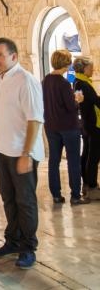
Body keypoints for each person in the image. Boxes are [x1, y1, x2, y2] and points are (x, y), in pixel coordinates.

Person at [0, 37, 44, 269]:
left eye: (0, 55)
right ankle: (12, 241)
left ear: (14, 56)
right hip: (2, 148)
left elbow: (35, 119)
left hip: (21, 152)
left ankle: (28, 247)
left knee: (25, 201)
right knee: (8, 199)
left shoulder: (25, 80)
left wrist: (26, 153)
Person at [42, 50, 88, 205]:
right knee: (73, 160)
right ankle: (75, 195)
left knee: (53, 160)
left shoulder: (46, 80)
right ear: (66, 63)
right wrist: (78, 100)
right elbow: (71, 107)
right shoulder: (63, 83)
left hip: (51, 126)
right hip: (68, 126)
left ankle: (56, 195)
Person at [74, 57, 100, 199]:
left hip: (86, 123)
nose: (92, 69)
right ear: (84, 69)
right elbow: (95, 101)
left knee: (87, 154)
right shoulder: (83, 84)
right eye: (90, 67)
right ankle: (92, 186)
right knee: (93, 156)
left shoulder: (78, 82)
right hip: (92, 124)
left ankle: (87, 183)